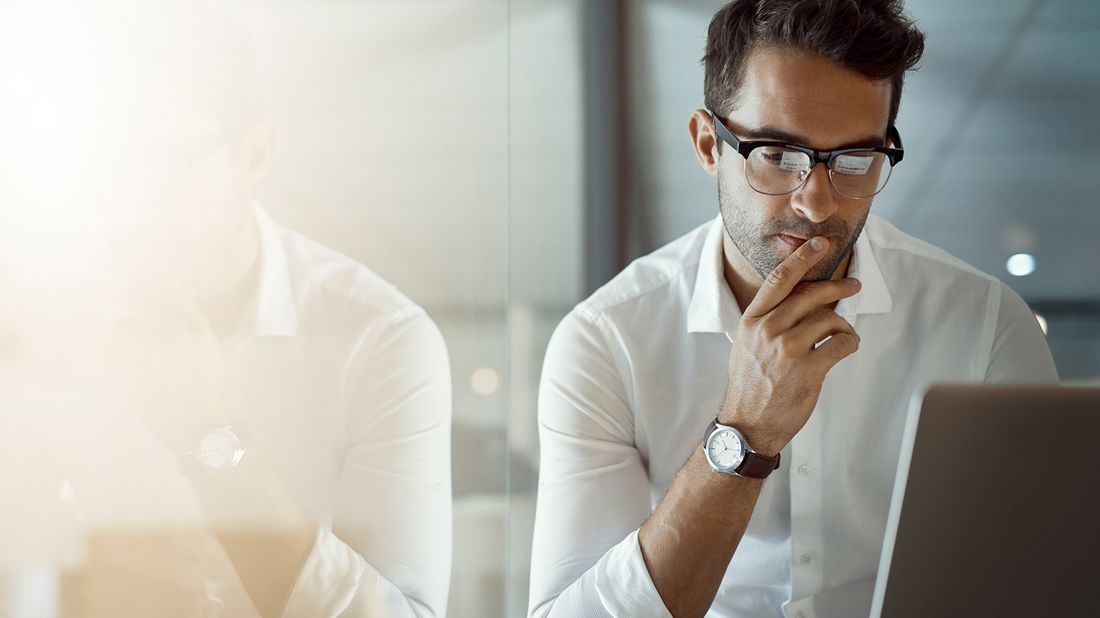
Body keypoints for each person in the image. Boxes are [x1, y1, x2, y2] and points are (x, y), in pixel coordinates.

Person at [528, 1, 1057, 616]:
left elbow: (1043, 584)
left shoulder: (984, 326)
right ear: (707, 144)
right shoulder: (606, 341)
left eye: (855, 159)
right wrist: (744, 433)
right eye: (778, 154)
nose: (816, 201)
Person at [0, 3, 451, 616]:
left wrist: (210, 439)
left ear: (256, 153)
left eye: (165, 165)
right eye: (104, 169)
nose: (126, 208)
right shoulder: (35, 332)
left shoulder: (380, 342)